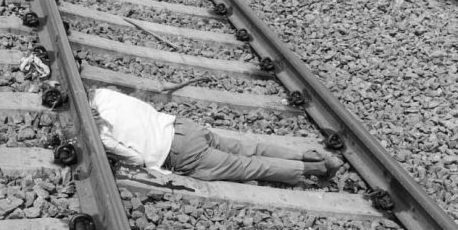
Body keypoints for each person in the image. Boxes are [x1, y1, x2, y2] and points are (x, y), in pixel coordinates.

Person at [89, 86, 343, 185]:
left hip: (180, 154)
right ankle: (309, 155)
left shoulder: (100, 133)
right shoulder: (103, 94)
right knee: (250, 148)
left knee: (251, 167)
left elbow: (135, 159)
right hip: (184, 128)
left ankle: (316, 169)